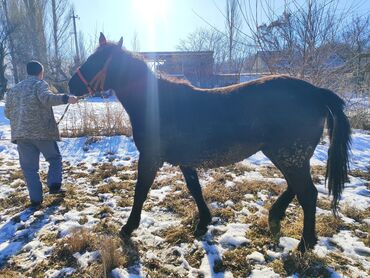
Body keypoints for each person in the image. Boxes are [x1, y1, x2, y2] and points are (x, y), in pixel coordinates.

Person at [5, 60, 78, 207]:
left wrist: (21, 120)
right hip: (42, 132)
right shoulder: (39, 84)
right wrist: (66, 98)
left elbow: (7, 112)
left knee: (29, 169)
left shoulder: (13, 90)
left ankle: (36, 200)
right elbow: (47, 99)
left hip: (21, 135)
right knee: (54, 158)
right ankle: (54, 185)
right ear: (41, 72)